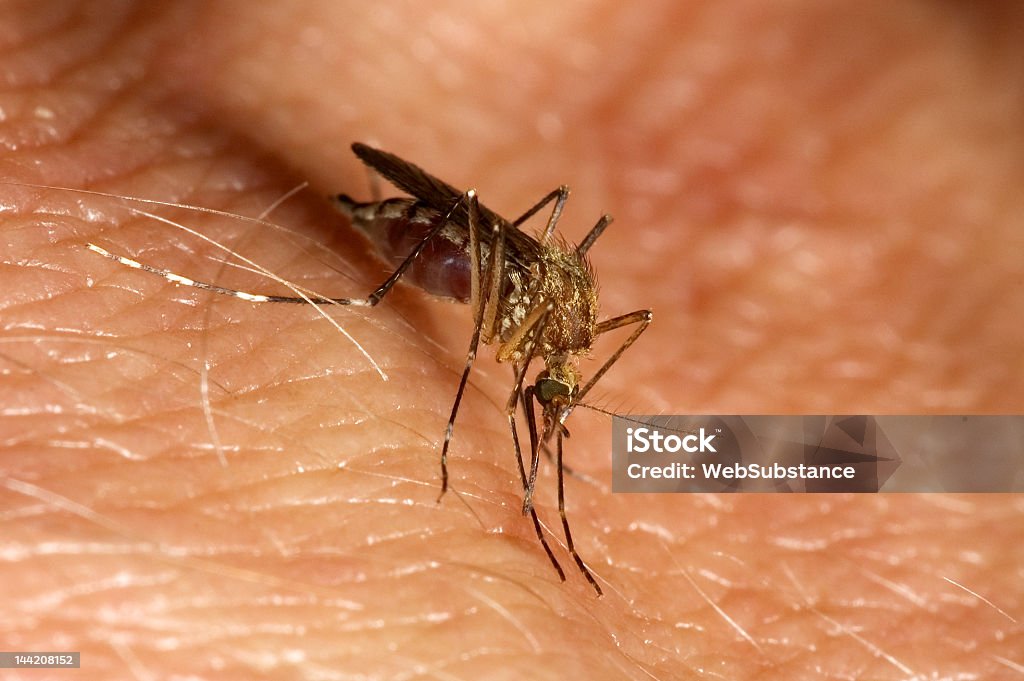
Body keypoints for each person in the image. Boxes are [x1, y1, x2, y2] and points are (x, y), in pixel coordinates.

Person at [2, 2, 1020, 677]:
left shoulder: (572, 349)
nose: (555, 401)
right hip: (451, 243)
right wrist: (465, 432)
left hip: (500, 267)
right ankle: (382, 334)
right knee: (430, 292)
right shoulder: (551, 327)